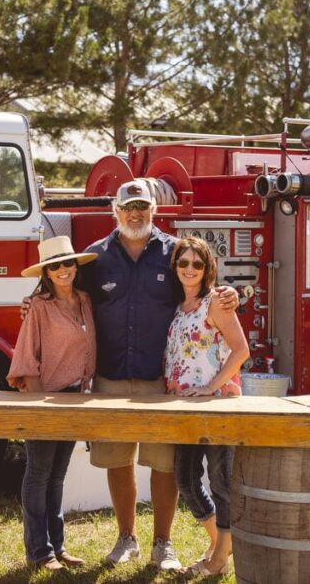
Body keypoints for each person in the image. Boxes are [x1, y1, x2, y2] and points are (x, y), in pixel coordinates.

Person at [77, 179, 239, 569]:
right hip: (110, 376)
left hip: (160, 381)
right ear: (115, 211)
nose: (135, 214)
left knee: (163, 464)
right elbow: (68, 298)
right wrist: (34, 303)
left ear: (154, 210)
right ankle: (126, 538)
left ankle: (162, 544)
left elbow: (200, 285)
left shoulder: (173, 253)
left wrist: (231, 292)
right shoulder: (95, 257)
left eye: (142, 207)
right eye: (128, 207)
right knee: (118, 460)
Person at [7, 236, 98, 571]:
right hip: (45, 396)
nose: (63, 270)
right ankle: (39, 552)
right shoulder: (39, 306)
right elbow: (26, 356)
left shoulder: (85, 300)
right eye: (55, 266)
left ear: (76, 266)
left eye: (67, 263)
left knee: (58, 474)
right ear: (46, 272)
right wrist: (38, 405)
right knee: (39, 472)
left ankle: (57, 547)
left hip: (75, 397)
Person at [164, 236, 249, 577]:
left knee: (221, 482)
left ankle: (218, 559)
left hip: (217, 406)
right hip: (185, 408)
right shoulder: (178, 307)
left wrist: (211, 388)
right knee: (185, 479)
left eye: (197, 264)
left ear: (207, 268)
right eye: (183, 262)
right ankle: (220, 546)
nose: (190, 269)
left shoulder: (216, 302)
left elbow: (241, 350)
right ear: (175, 267)